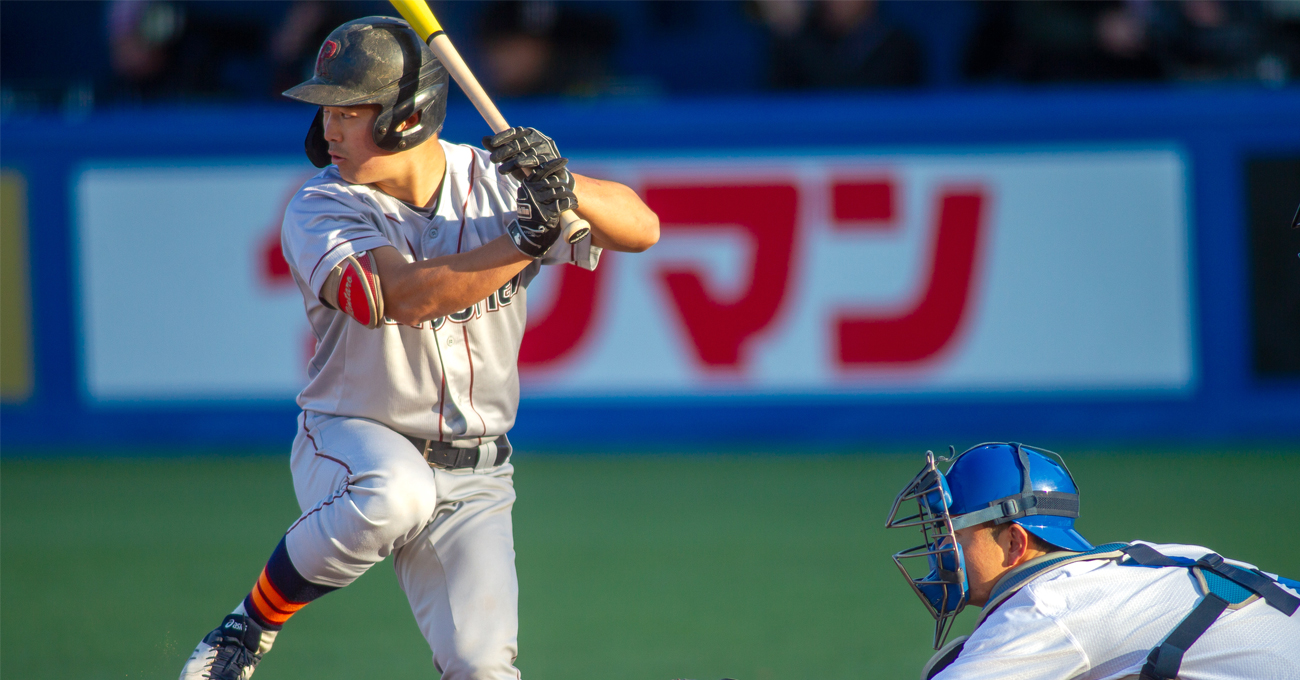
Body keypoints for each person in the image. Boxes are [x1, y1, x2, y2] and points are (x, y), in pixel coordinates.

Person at [179, 15, 658, 680]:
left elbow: (643, 228)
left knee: (481, 667)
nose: (329, 130)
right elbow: (404, 296)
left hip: (477, 472)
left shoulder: (496, 182)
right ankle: (248, 626)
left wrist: (563, 186)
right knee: (395, 492)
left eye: (348, 110)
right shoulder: (320, 208)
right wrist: (526, 237)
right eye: (327, 110)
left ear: (406, 117)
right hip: (353, 438)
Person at [885, 443, 1300, 680]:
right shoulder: (1145, 561)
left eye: (951, 532)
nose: (941, 548)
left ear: (1015, 542)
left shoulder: (1048, 606)